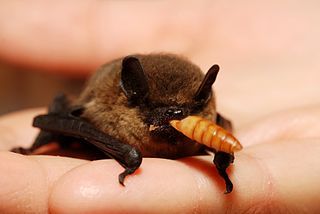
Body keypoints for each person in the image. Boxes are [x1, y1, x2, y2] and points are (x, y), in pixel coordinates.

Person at [0, 1, 319, 213]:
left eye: (187, 112)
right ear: (129, 98)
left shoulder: (207, 112)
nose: (176, 120)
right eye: (162, 112)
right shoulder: (108, 109)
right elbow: (62, 117)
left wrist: (221, 162)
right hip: (105, 118)